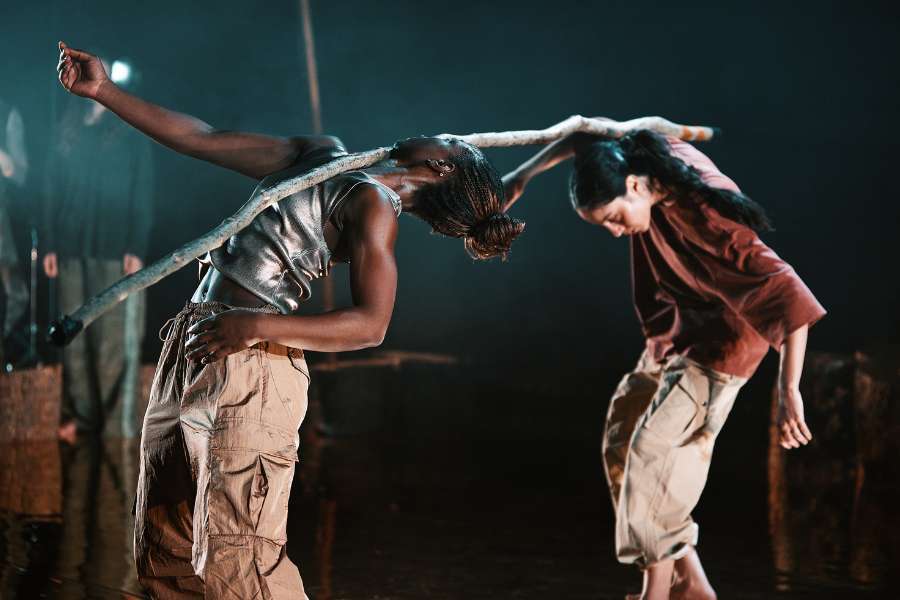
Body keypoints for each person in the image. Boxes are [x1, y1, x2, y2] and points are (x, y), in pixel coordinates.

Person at [56, 40, 523, 599]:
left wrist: (256, 328)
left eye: (447, 138)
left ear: (442, 163)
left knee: (240, 559)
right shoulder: (324, 154)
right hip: (197, 339)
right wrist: (104, 91)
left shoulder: (375, 207)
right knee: (166, 552)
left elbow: (370, 325)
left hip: (252, 362)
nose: (435, 131)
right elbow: (201, 140)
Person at [503, 128, 824, 600]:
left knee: (653, 453)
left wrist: (788, 389)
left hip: (723, 345)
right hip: (676, 330)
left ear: (634, 186)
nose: (615, 231)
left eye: (614, 218)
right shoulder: (639, 154)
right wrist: (523, 175)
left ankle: (657, 590)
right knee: (621, 437)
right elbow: (582, 132)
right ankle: (691, 581)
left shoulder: (707, 214)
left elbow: (789, 291)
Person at [44, 78, 154, 440]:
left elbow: (143, 194)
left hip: (115, 250)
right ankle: (82, 417)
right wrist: (50, 245)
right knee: (73, 337)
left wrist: (136, 247)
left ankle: (114, 423)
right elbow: (51, 191)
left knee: (112, 342)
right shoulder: (67, 131)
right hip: (72, 248)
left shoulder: (128, 132)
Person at [0, 97, 29, 365]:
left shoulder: (7, 112)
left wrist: (5, 161)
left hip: (3, 223)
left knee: (15, 293)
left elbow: (20, 173)